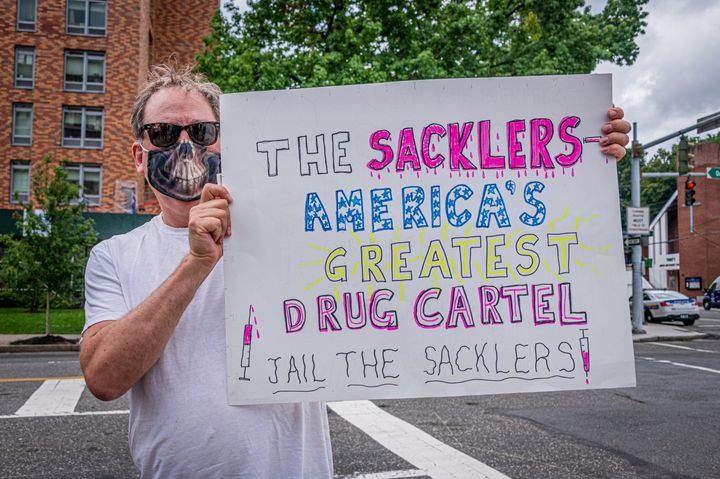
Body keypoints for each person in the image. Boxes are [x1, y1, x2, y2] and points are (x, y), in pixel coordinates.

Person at [80, 65, 631, 477]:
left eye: (200, 133)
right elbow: (104, 378)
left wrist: (583, 157)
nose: (183, 145)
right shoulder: (115, 257)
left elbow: (424, 225)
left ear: (227, 141)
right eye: (163, 134)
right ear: (136, 153)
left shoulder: (292, 229)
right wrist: (195, 264)